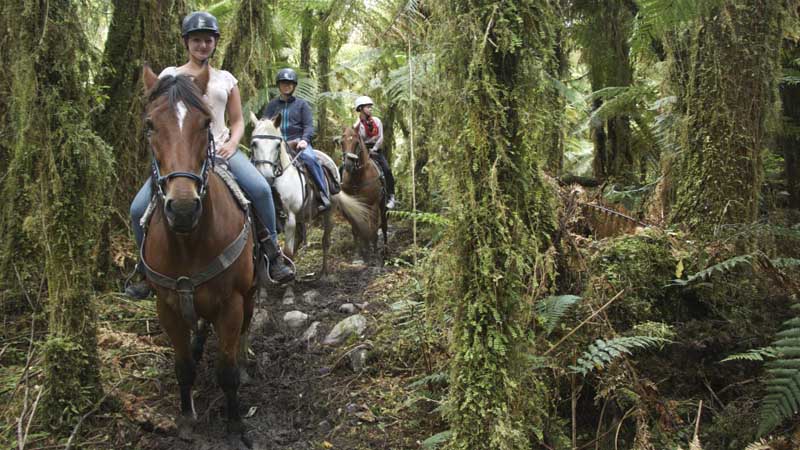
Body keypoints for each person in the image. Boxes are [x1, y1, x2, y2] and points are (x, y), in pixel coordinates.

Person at [126, 11, 294, 299]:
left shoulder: (226, 79)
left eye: (208, 40)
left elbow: (237, 120)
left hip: (221, 150)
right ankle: (144, 269)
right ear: (186, 43)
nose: (202, 45)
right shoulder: (170, 76)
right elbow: (159, 117)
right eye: (196, 40)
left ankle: (272, 254)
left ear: (215, 43)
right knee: (137, 209)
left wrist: (232, 143)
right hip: (181, 157)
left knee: (260, 189)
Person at [260, 68, 331, 212]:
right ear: (279, 85)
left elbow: (309, 126)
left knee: (311, 159)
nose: (286, 86)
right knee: (258, 161)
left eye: (290, 83)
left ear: (294, 86)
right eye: (283, 83)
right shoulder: (272, 105)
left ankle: (322, 194)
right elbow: (263, 124)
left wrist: (305, 140)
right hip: (277, 143)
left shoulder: (302, 105)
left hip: (297, 142)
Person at [353, 96, 396, 209]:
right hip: (362, 150)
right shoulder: (358, 124)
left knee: (387, 169)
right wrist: (357, 124)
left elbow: (380, 137)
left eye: (371, 107)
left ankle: (391, 196)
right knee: (348, 168)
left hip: (376, 150)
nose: (370, 109)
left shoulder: (377, 121)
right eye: (368, 107)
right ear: (361, 108)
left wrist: (375, 149)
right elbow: (355, 137)